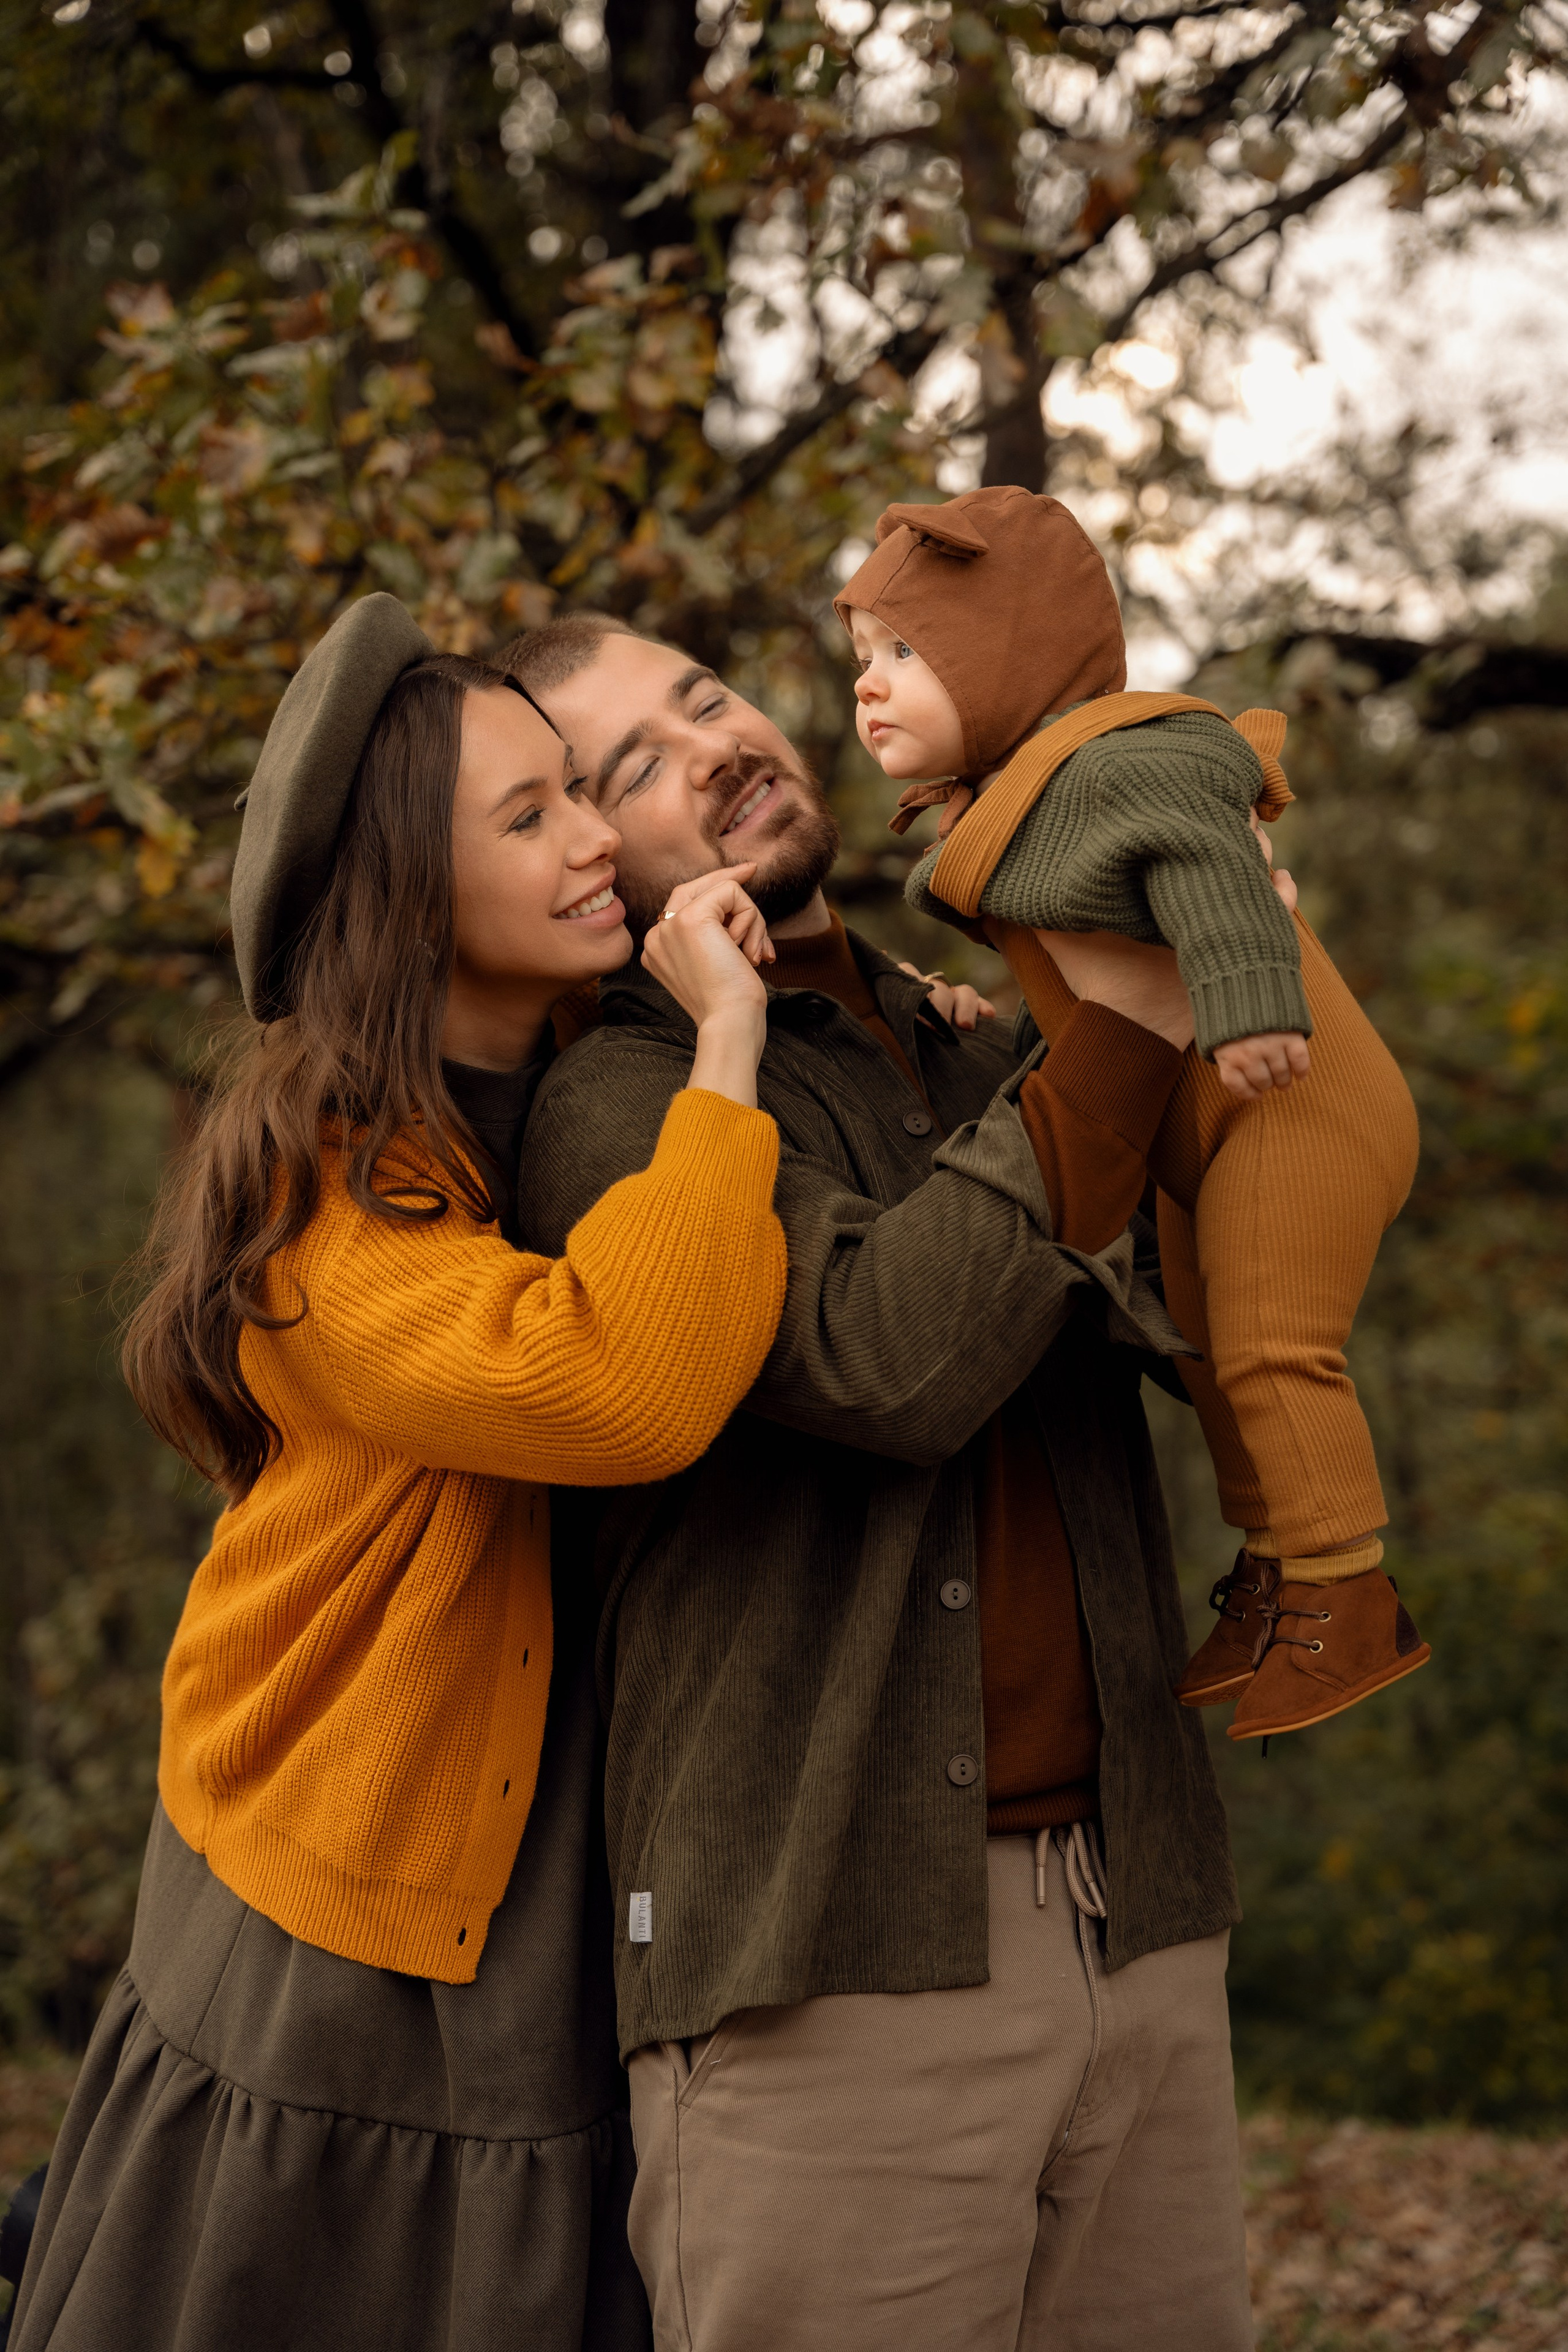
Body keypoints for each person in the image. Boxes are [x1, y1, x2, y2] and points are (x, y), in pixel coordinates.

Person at [11, 595, 788, 2352]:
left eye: (578, 789)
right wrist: (734, 1047)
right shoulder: (325, 1201)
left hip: (549, 1852)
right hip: (343, 1902)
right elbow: (618, 1384)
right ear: (402, 902)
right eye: (529, 819)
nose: (598, 837)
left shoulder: (579, 1078)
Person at [502, 609, 1261, 2351]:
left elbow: (1230, 1320)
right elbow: (885, 1358)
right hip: (825, 1954)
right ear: (601, 859)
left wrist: (1200, 970)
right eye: (634, 766)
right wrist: (1121, 1039)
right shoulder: (618, 1104)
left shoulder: (986, 1027)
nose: (714, 746)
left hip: (1137, 1911)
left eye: (704, 696)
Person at [837, 487, 1427, 1744]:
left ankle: (1346, 1591)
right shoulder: (1016, 804)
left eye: (901, 651)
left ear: (1009, 653)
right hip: (1210, 1122)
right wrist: (993, 1029)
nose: (867, 688)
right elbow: (1096, 987)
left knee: (1272, 1345)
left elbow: (1211, 864)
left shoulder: (1119, 759)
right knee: (1205, 1345)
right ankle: (1272, 1563)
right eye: (859, 661)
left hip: (1292, 1099)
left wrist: (1254, 1001)